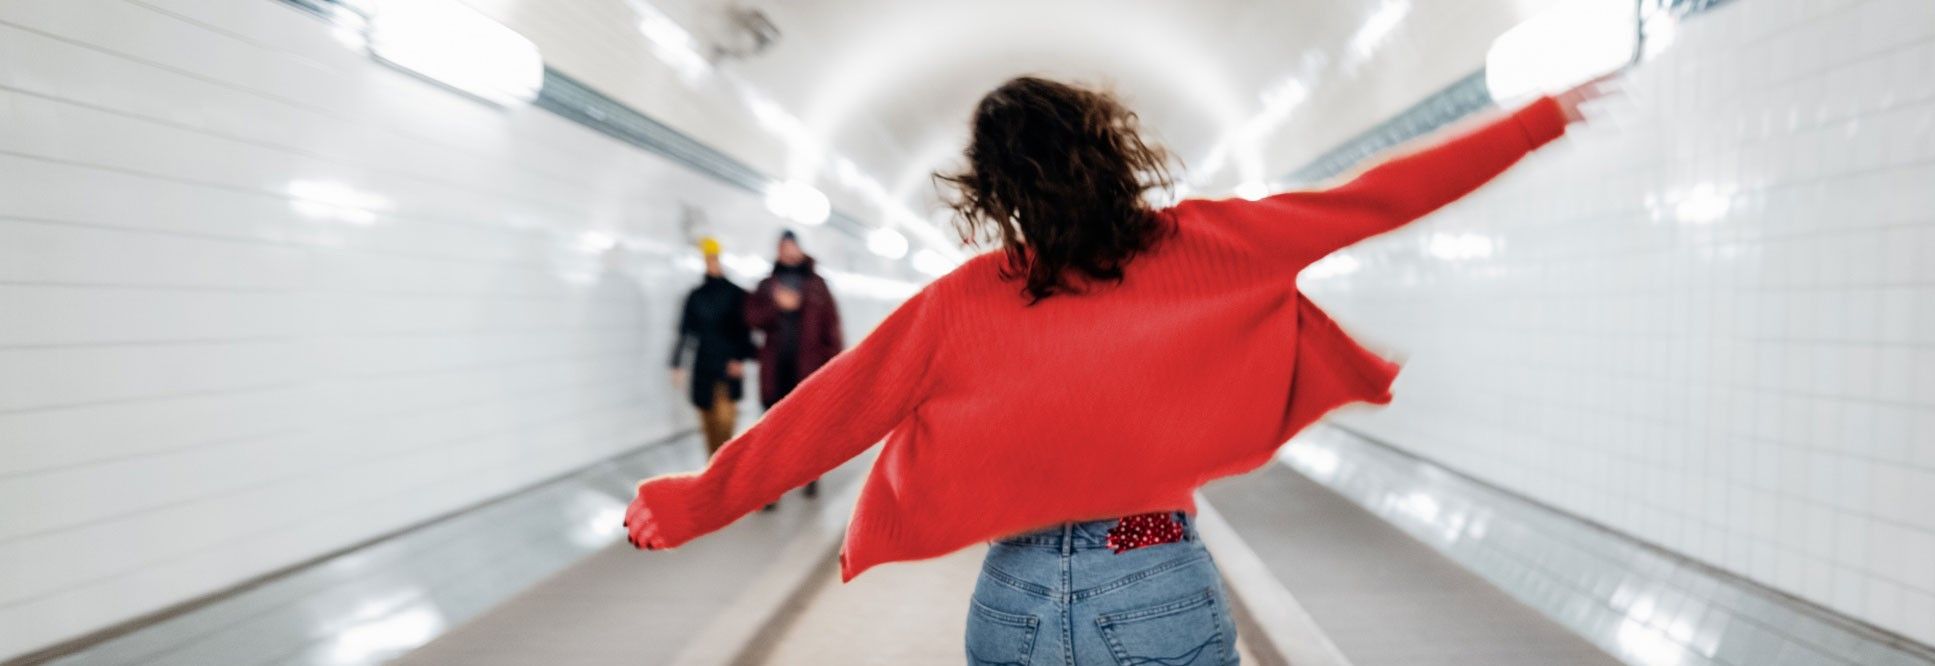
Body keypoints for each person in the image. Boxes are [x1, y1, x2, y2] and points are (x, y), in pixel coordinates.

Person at [626, 76, 1605, 665]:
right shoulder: (1211, 242)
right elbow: (1375, 199)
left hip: (1012, 584)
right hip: (1150, 561)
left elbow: (829, 414)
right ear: (1111, 151)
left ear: (993, 190)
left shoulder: (964, 299)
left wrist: (692, 503)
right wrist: (1534, 121)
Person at [745, 230, 842, 503]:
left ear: (798, 249)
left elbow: (831, 329)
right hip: (776, 371)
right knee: (772, 432)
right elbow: (751, 317)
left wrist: (834, 368)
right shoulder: (767, 286)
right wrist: (777, 307)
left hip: (808, 371)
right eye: (782, 246)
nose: (787, 251)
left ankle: (809, 477)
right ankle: (771, 489)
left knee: (807, 430)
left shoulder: (816, 286)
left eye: (791, 246)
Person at [668, 237, 755, 459]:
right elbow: (685, 332)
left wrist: (740, 358)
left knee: (725, 426)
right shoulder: (696, 297)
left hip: (728, 366)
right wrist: (677, 364)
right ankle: (714, 475)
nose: (711, 263)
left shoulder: (737, 294)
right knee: (708, 427)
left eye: (714, 258)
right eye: (708, 259)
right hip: (704, 368)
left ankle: (724, 475)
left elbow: (745, 332)